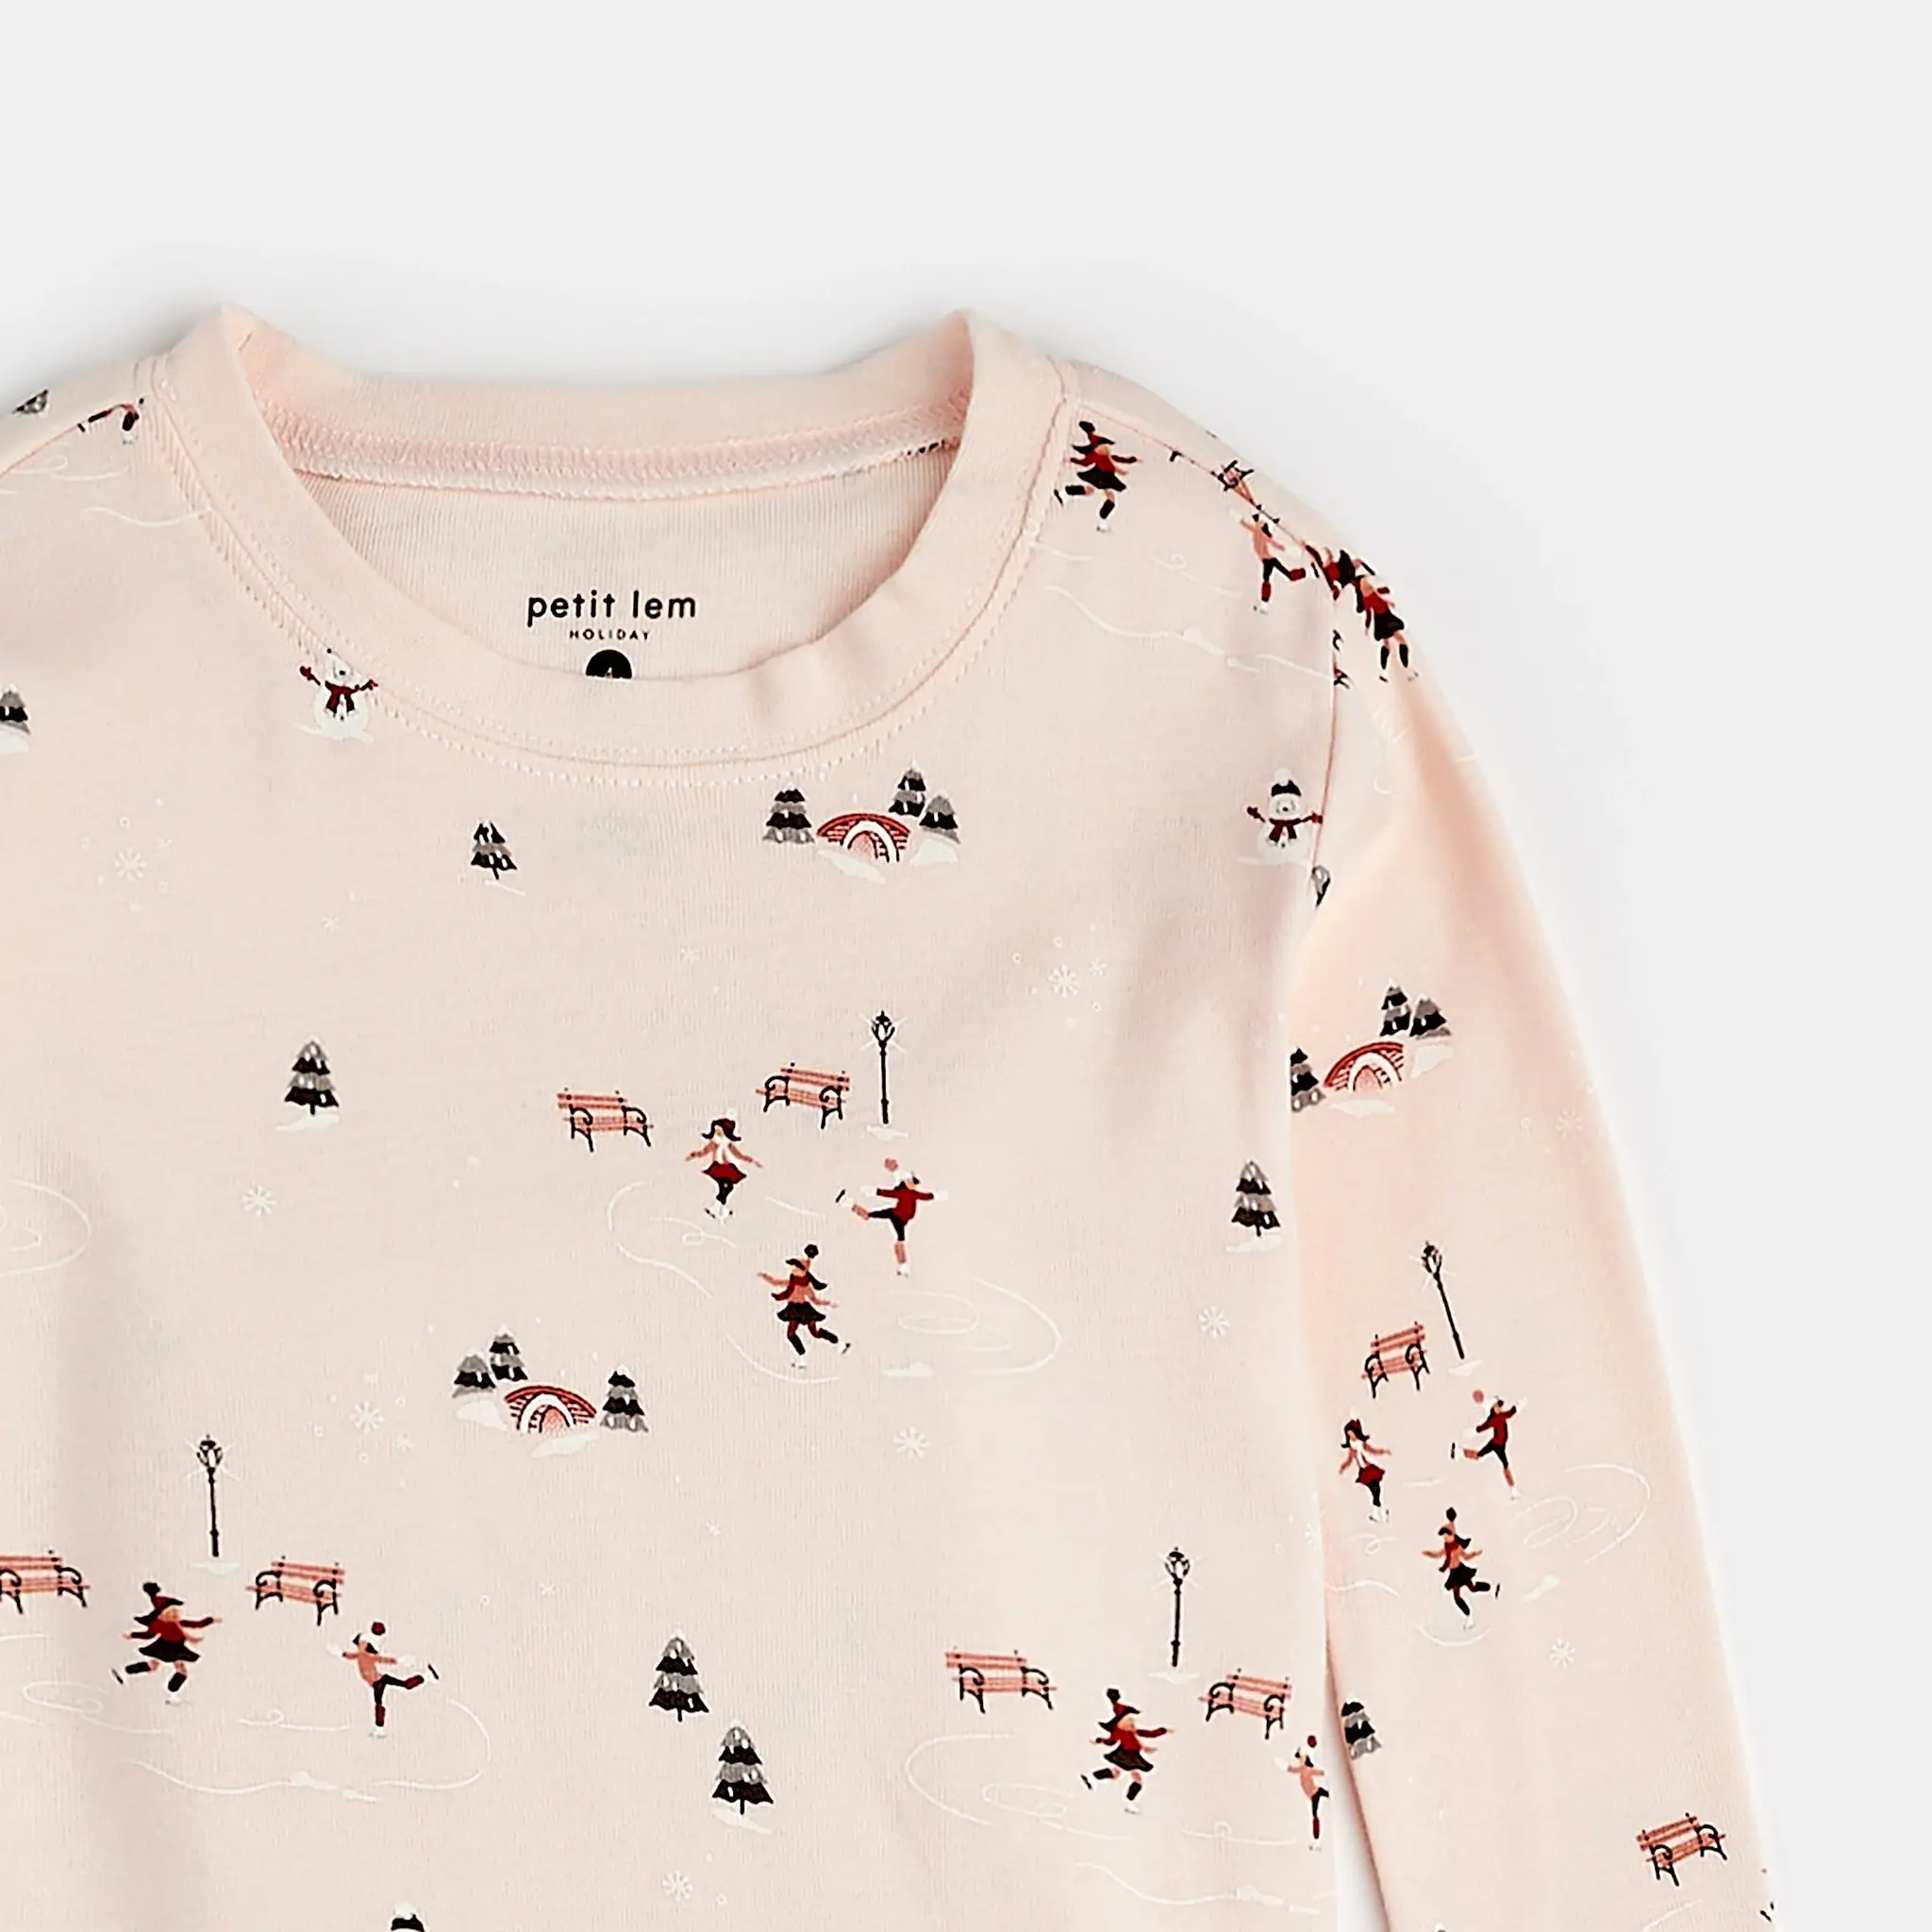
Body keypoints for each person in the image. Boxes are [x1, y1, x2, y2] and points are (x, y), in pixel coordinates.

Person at [114, 1581, 218, 1699]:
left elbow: (196, 1624)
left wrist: (209, 1621)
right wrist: (133, 1635)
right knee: (172, 1668)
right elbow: (149, 1635)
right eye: (172, 1612)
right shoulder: (160, 1624)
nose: (176, 1614)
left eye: (176, 1612)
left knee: (157, 1666)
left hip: (171, 1647)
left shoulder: (176, 1623)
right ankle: (170, 1692)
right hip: (167, 1647)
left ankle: (171, 1693)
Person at [343, 1621, 436, 1730]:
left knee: (381, 1701)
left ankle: (379, 1727)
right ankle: (426, 1677)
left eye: (362, 1644)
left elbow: (382, 1659)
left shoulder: (365, 1655)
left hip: (378, 1681)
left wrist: (398, 1661)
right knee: (402, 1686)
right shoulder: (362, 1655)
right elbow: (352, 1655)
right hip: (379, 1680)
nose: (360, 1646)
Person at [1081, 1689, 1169, 1803]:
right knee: (1132, 1777)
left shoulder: (1128, 1731)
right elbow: (1115, 1741)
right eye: (1130, 1720)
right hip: (1129, 1755)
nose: (1133, 1722)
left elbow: (1147, 1734)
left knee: (1118, 1773)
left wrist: (1161, 1731)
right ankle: (1129, 1799)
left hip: (1126, 1754)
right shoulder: (1123, 1732)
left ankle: (1094, 1777)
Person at [850, 1158, 934, 1275]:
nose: (914, 1184)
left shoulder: (910, 1192)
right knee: (899, 1239)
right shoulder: (906, 1192)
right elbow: (890, 1193)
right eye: (913, 1182)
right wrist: (875, 1191)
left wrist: (875, 1191)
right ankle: (903, 1264)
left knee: (895, 1235)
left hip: (898, 1217)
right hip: (897, 1216)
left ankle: (857, 1209)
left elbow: (923, 1196)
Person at [759, 1243, 843, 1357]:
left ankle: (838, 1342)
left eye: (795, 1268)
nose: (793, 1270)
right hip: (794, 1310)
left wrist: (828, 1303)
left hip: (803, 1310)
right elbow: (776, 1282)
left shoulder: (805, 1286)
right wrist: (765, 1276)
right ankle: (802, 1356)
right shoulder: (791, 1283)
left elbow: (815, 1300)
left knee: (814, 1333)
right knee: (791, 1334)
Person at [1057, 420, 1138, 522]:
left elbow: (1089, 462)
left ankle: (1064, 493)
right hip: (1104, 475)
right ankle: (1102, 517)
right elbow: (1109, 461)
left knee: (1091, 491)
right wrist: (1120, 469)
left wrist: (1072, 460)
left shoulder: (1096, 445)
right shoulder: (1100, 447)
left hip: (1100, 474)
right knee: (1107, 495)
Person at [686, 1116, 760, 1219]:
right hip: (718, 1167)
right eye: (716, 1130)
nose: (718, 1132)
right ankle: (717, 1208)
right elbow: (704, 1151)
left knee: (727, 1187)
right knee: (725, 1187)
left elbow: (738, 1155)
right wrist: (694, 1155)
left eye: (720, 1130)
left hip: (727, 1167)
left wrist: (751, 1160)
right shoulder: (715, 1142)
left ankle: (718, 1208)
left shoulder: (728, 1143)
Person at [1424, 1508, 1493, 1617]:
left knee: (1471, 1588)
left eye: (1446, 1536)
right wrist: (1428, 1553)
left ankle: (1490, 1588)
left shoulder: (1456, 1547)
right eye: (1444, 1537)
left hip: (1460, 1571)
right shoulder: (1447, 1549)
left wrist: (1475, 1553)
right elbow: (1438, 1554)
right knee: (1458, 1596)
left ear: (1452, 1536)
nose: (1445, 1538)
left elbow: (1466, 1556)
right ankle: (1468, 1615)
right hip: (1454, 1573)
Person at [1243, 512, 1307, 604]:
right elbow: (1273, 542)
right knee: (1286, 576)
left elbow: (1271, 541)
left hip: (1268, 560)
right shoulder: (1262, 535)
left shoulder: (1260, 534)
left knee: (1269, 579)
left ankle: (1264, 602)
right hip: (1270, 560)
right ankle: (1307, 573)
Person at [1463, 1396, 1519, 1490]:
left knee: (1485, 1456)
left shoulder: (1502, 1415)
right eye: (1497, 1407)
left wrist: (1516, 1407)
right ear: (1493, 1408)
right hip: (1496, 1444)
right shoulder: (1493, 1419)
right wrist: (1477, 1429)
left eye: (1500, 1407)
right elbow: (1485, 1426)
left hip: (1500, 1445)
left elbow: (1510, 1413)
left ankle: (1512, 1486)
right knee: (1500, 1462)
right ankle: (1461, 1453)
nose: (1499, 1409)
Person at [1339, 1418, 1391, 1515]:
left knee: (1376, 1490)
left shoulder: (1362, 1444)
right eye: (1349, 1435)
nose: (1351, 1436)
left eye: (1352, 1434)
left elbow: (1373, 1451)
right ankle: (1379, 1511)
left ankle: (1379, 1511)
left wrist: (1383, 1451)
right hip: (1364, 1472)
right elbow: (1349, 1460)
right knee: (1374, 1490)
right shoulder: (1352, 1448)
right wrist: (1343, 1467)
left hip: (1370, 1468)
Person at [1289, 1735, 1330, 1840]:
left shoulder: (1304, 1769)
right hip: (1314, 1792)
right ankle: (1316, 1834)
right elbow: (1316, 1772)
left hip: (1313, 1793)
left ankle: (1316, 1834)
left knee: (1315, 1812)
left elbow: (1295, 1769)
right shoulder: (1305, 1769)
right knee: (1322, 1797)